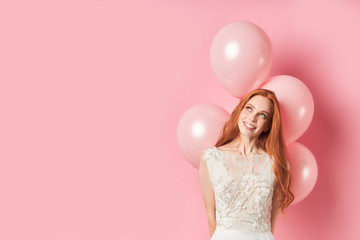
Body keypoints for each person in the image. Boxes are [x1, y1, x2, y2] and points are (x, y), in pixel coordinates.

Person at [198, 89, 294, 240]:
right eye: (249, 108)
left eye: (262, 115)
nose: (252, 118)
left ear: (268, 125)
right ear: (240, 110)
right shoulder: (210, 159)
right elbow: (211, 218)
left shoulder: (277, 165)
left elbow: (270, 225)